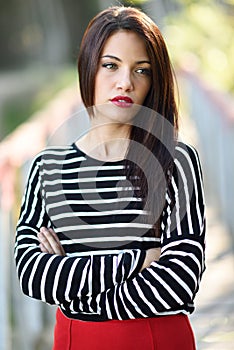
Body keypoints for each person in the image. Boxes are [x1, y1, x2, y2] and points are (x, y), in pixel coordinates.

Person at [14, 6, 206, 350]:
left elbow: (181, 278)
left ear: (154, 80)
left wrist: (75, 284)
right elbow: (32, 274)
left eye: (141, 70)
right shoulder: (47, 168)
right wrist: (139, 258)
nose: (125, 82)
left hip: (156, 339)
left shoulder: (175, 160)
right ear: (88, 67)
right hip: (75, 341)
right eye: (111, 65)